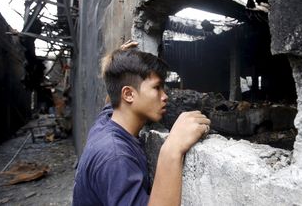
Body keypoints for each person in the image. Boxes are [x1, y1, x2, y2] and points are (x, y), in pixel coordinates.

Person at [72, 40, 211, 206]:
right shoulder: (116, 157)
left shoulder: (105, 122)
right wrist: (172, 148)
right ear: (128, 94)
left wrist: (116, 62)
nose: (165, 96)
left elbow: (112, 96)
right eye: (157, 87)